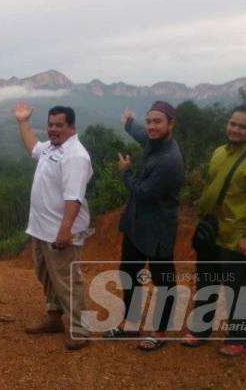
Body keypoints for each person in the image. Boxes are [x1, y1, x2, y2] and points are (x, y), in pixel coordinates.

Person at [182, 104, 246, 356]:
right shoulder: (218, 153)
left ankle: (238, 338)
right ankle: (201, 330)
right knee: (206, 283)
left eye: (242, 126)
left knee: (237, 289)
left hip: (236, 239)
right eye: (232, 124)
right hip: (211, 233)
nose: (235, 129)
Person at [104, 101, 184, 351]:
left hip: (159, 227)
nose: (151, 126)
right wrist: (129, 122)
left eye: (157, 121)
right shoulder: (154, 140)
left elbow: (144, 192)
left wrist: (126, 172)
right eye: (149, 121)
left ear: (171, 124)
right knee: (129, 273)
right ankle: (131, 322)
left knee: (162, 280)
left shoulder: (169, 160)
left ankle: (159, 330)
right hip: (136, 224)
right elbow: (141, 133)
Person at [14, 102, 93, 351]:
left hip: (60, 232)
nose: (53, 129)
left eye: (59, 125)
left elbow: (74, 197)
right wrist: (22, 121)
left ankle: (79, 328)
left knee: (67, 280)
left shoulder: (75, 156)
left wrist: (65, 230)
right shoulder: (51, 148)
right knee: (46, 275)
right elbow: (32, 147)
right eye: (50, 124)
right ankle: (53, 317)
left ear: (72, 127)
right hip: (40, 229)